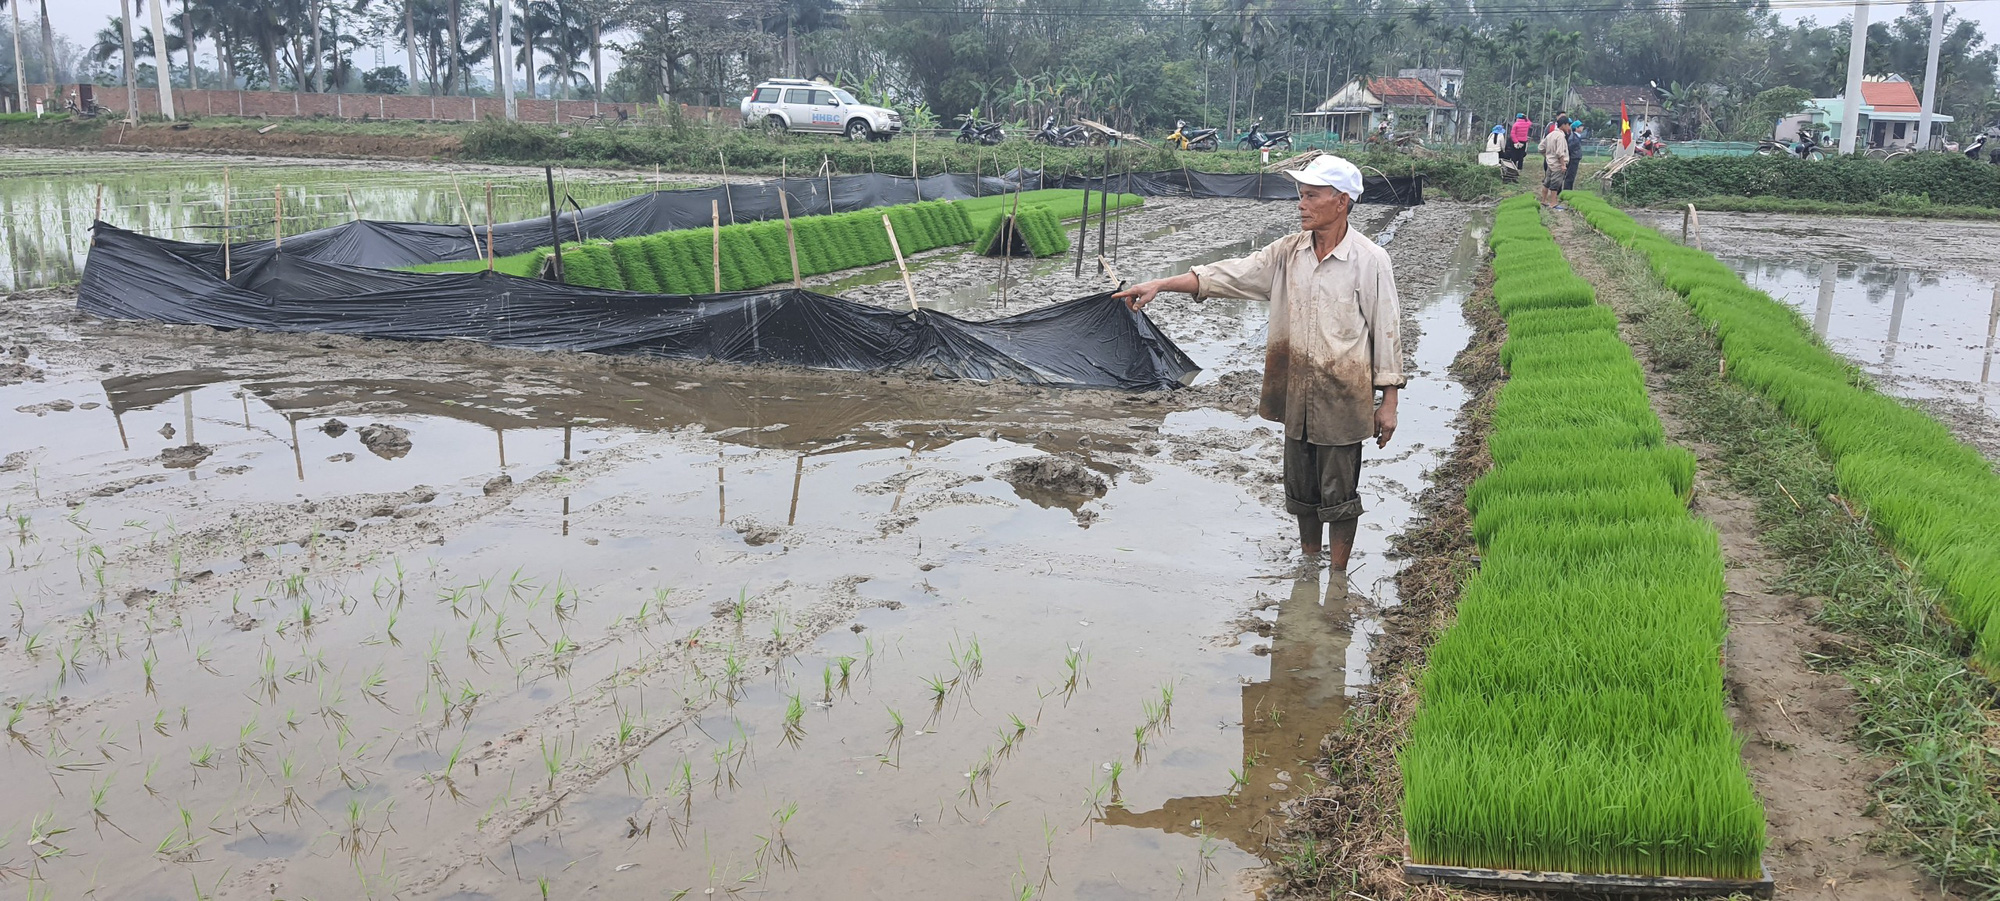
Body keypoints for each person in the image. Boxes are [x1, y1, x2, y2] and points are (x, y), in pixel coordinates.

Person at [1113, 155, 1403, 571]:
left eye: (1312, 196)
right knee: (1301, 489)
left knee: (1339, 494)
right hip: (1295, 393)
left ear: (1341, 202)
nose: (1301, 204)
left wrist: (1388, 402)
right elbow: (1227, 275)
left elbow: (1386, 330)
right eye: (1300, 195)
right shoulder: (1288, 253)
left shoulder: (1370, 259)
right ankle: (1309, 562)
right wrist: (1162, 283)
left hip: (1343, 395)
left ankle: (1337, 576)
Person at [1540, 119, 1571, 209]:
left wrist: (1547, 156)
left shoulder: (1550, 134)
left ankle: (1544, 200)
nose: (1569, 128)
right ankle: (1553, 203)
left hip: (1550, 163)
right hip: (1557, 165)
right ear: (1564, 125)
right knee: (1555, 184)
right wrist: (1563, 165)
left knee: (1547, 182)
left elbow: (1541, 148)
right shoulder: (1560, 136)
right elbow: (1560, 153)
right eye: (1568, 125)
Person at [1564, 119, 1584, 189]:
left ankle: (1569, 189)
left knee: (1572, 175)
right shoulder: (1573, 137)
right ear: (1576, 128)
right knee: (1570, 175)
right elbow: (1570, 147)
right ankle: (1567, 190)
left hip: (1575, 158)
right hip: (1573, 158)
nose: (1582, 127)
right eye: (1580, 126)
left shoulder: (1577, 136)